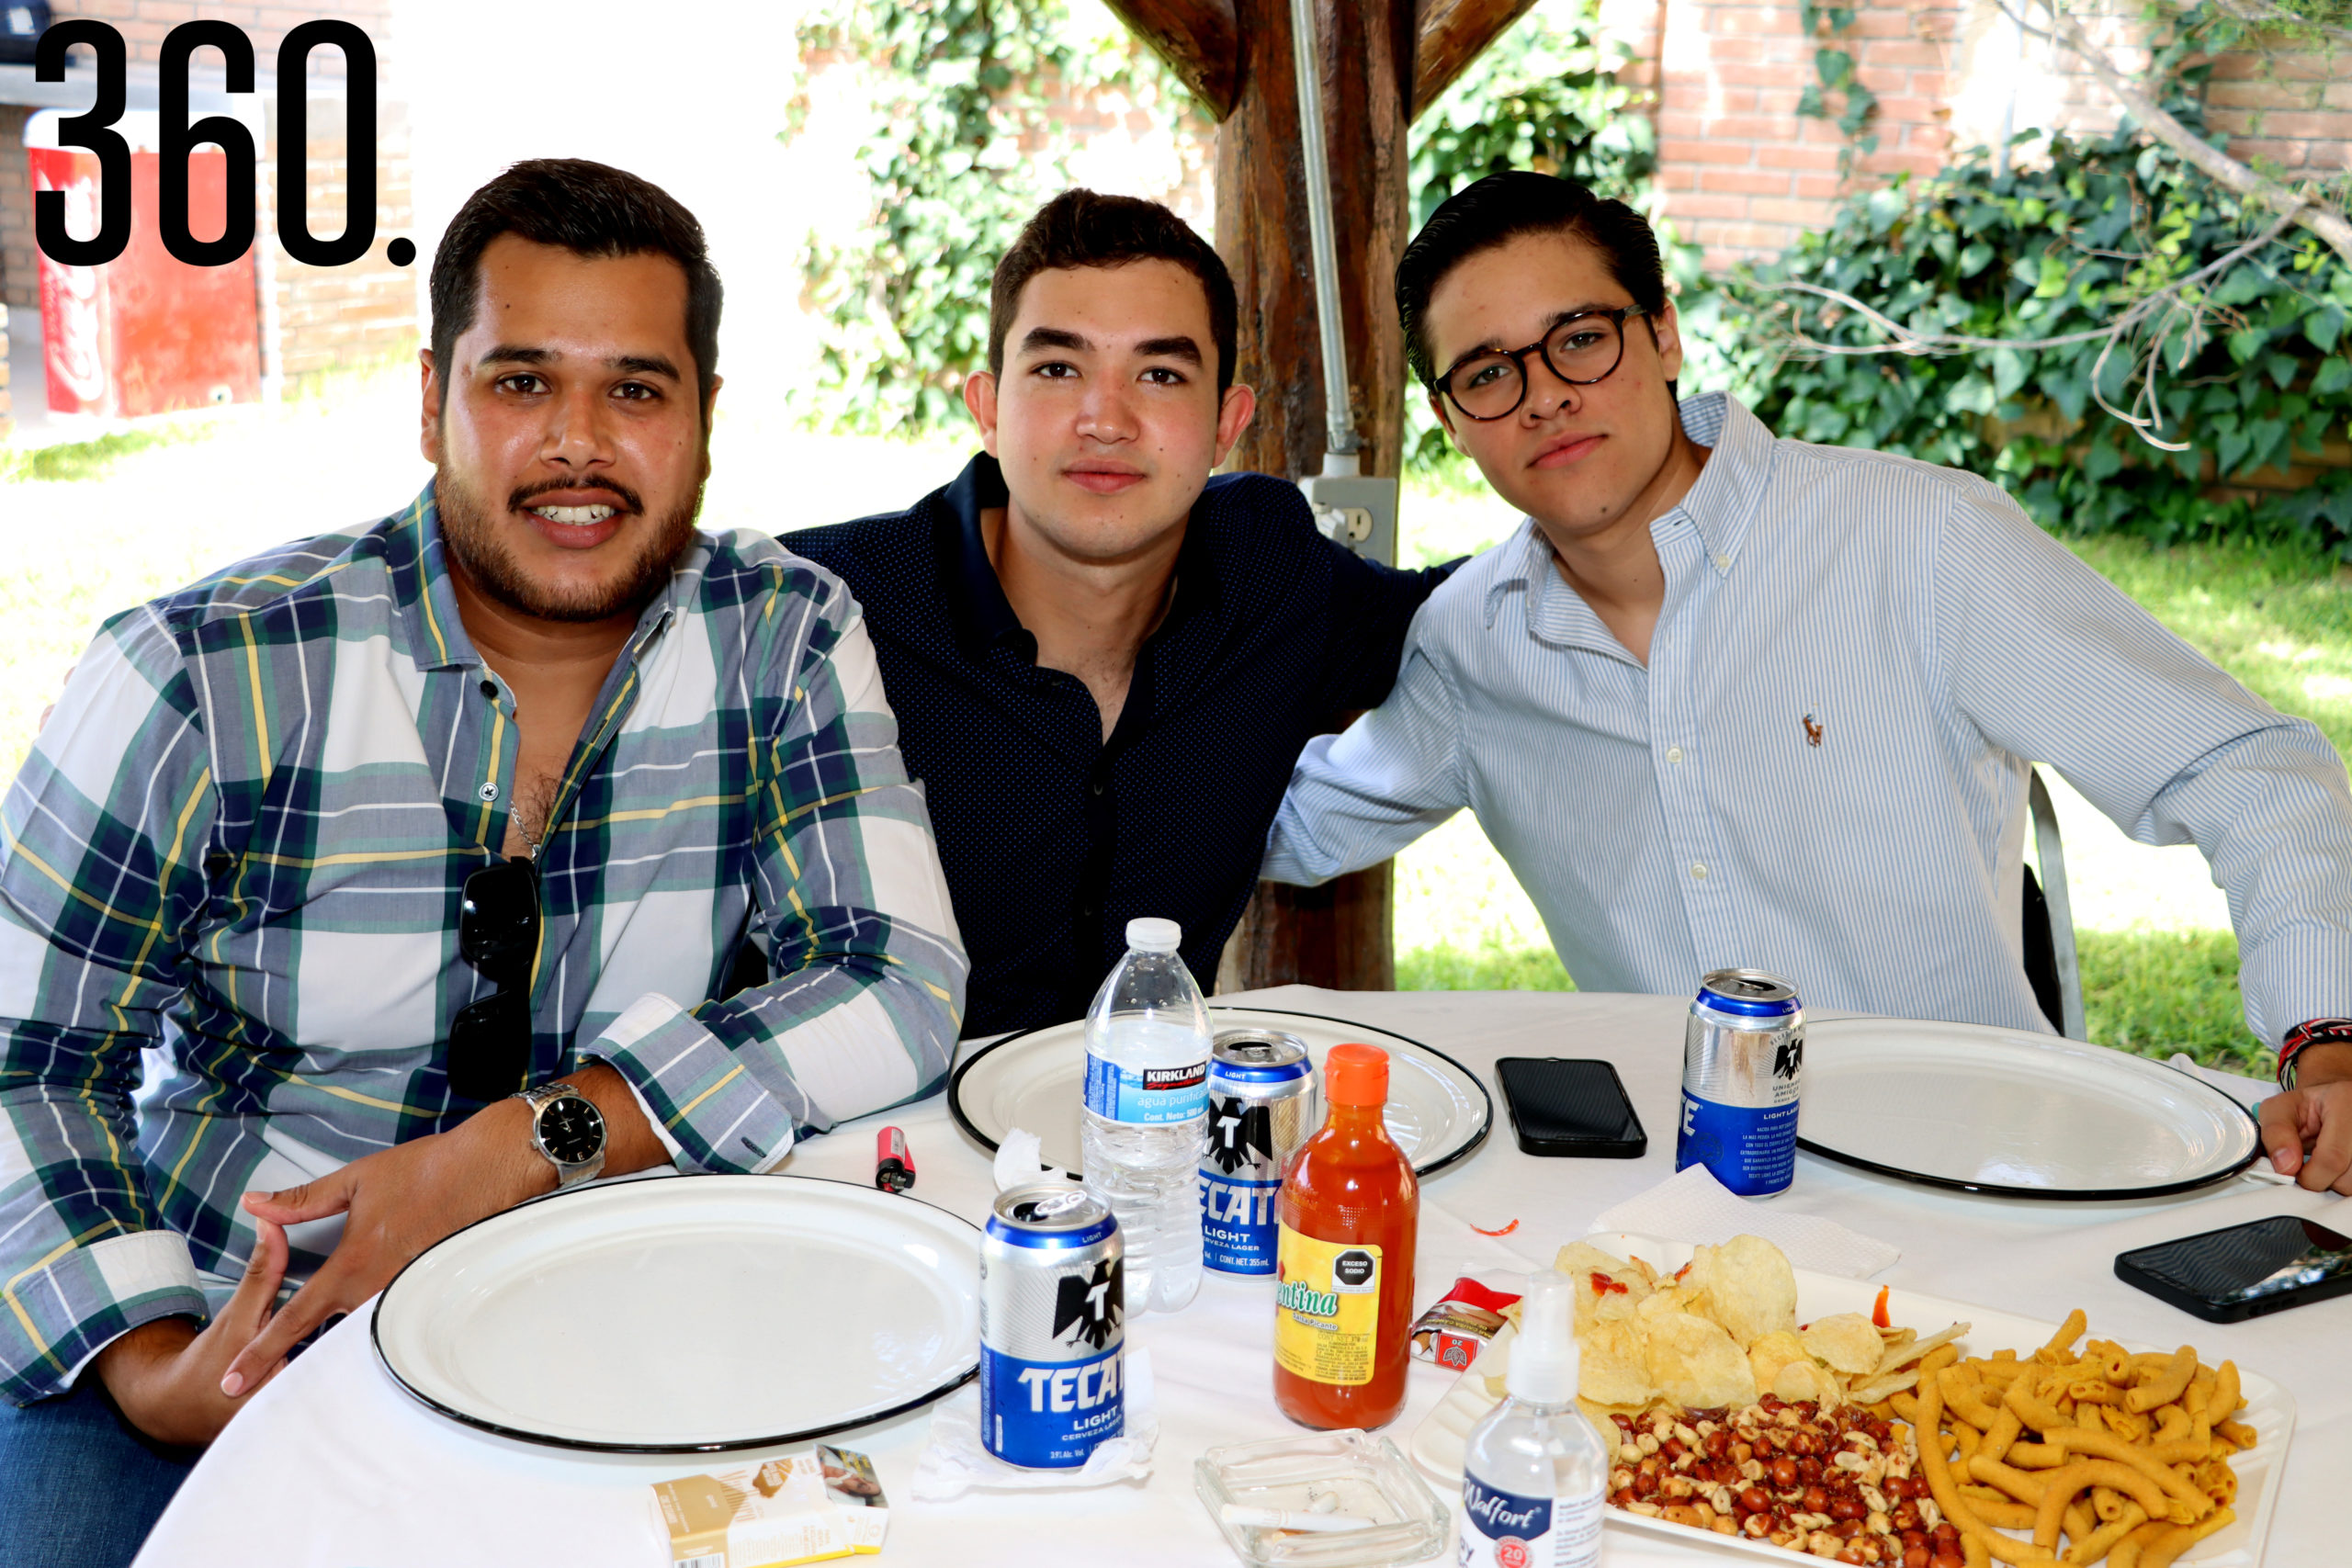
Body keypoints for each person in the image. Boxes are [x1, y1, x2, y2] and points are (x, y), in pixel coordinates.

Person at [0, 159, 966, 1568]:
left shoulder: (785, 631)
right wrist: (146, 1359)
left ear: (704, 421)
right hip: (214, 1301)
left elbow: (897, 977)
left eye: (637, 389)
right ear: (429, 400)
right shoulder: (202, 670)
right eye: (521, 382)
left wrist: (525, 1143)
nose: (579, 443)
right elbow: (28, 1058)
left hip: (611, 1304)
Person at [1262, 170, 2352, 1195]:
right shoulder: (1470, 645)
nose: (1544, 396)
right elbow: (1280, 827)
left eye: (1580, 340)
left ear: (1664, 334)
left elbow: (2245, 768)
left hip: (1988, 1179)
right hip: (1684, 1206)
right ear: (1453, 422)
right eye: (1489, 373)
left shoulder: (1918, 540)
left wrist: (2326, 1036)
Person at [788, 189, 1454, 1035]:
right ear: (988, 408)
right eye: (1059, 369)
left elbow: (1470, 612)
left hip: (1152, 1141)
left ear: (1227, 424)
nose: (1105, 420)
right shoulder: (821, 610)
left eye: (1160, 374)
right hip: (859, 1145)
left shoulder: (1269, 575)